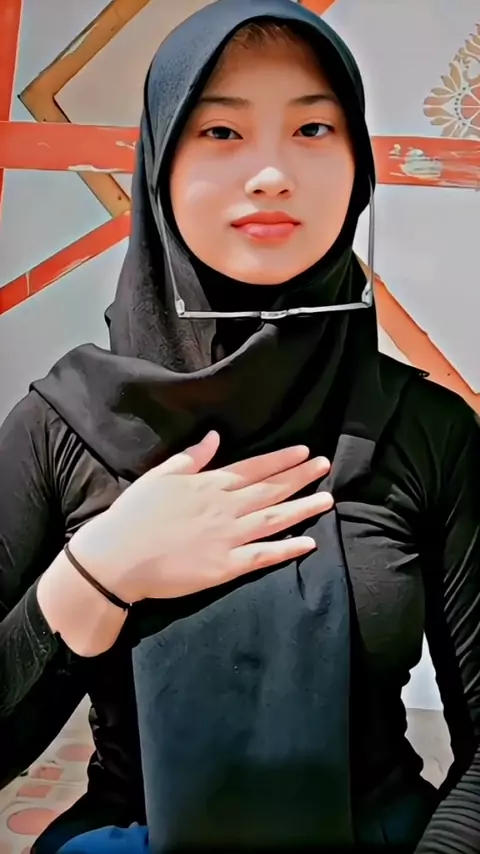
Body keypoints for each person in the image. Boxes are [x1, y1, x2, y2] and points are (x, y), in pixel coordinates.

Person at [1, 0, 479, 851]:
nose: (270, 174)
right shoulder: (62, 426)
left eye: (313, 129)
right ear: (161, 164)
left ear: (359, 166)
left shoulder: (429, 432)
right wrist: (97, 573)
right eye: (221, 132)